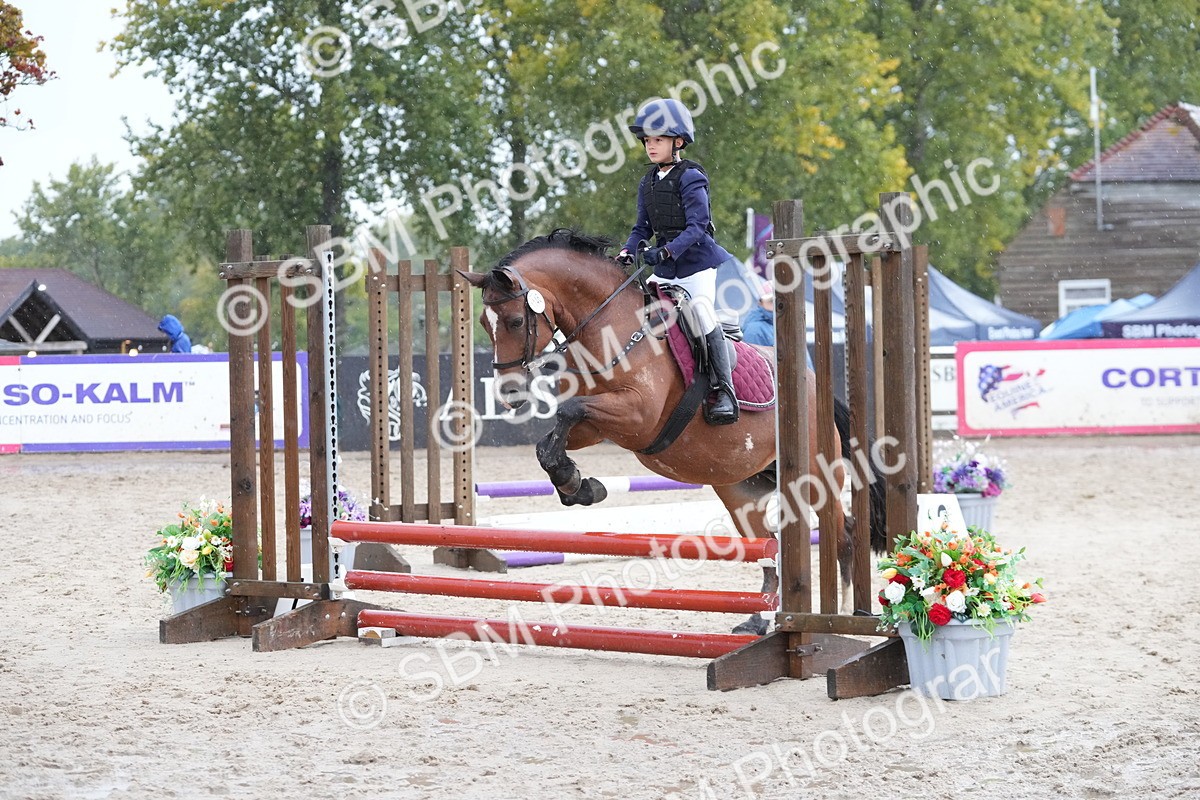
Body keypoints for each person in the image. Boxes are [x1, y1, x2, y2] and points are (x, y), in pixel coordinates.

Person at [617, 98, 739, 425]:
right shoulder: (648, 182)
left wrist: (666, 251)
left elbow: (698, 226)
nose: (650, 146)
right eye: (647, 141)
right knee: (639, 312)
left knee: (699, 312)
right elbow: (642, 226)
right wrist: (629, 250)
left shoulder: (691, 176)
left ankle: (723, 390)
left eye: (658, 139)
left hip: (696, 264)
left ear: (678, 141)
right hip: (665, 267)